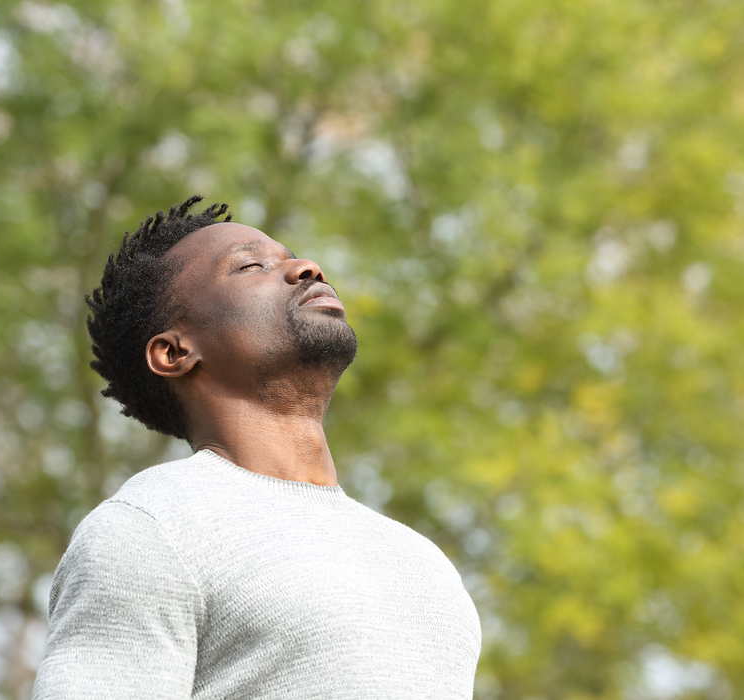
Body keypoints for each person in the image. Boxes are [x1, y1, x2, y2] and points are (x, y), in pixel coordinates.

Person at [32, 196, 481, 699]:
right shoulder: (151, 528)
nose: (306, 268)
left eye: (293, 256)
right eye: (250, 266)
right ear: (175, 352)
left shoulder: (419, 559)